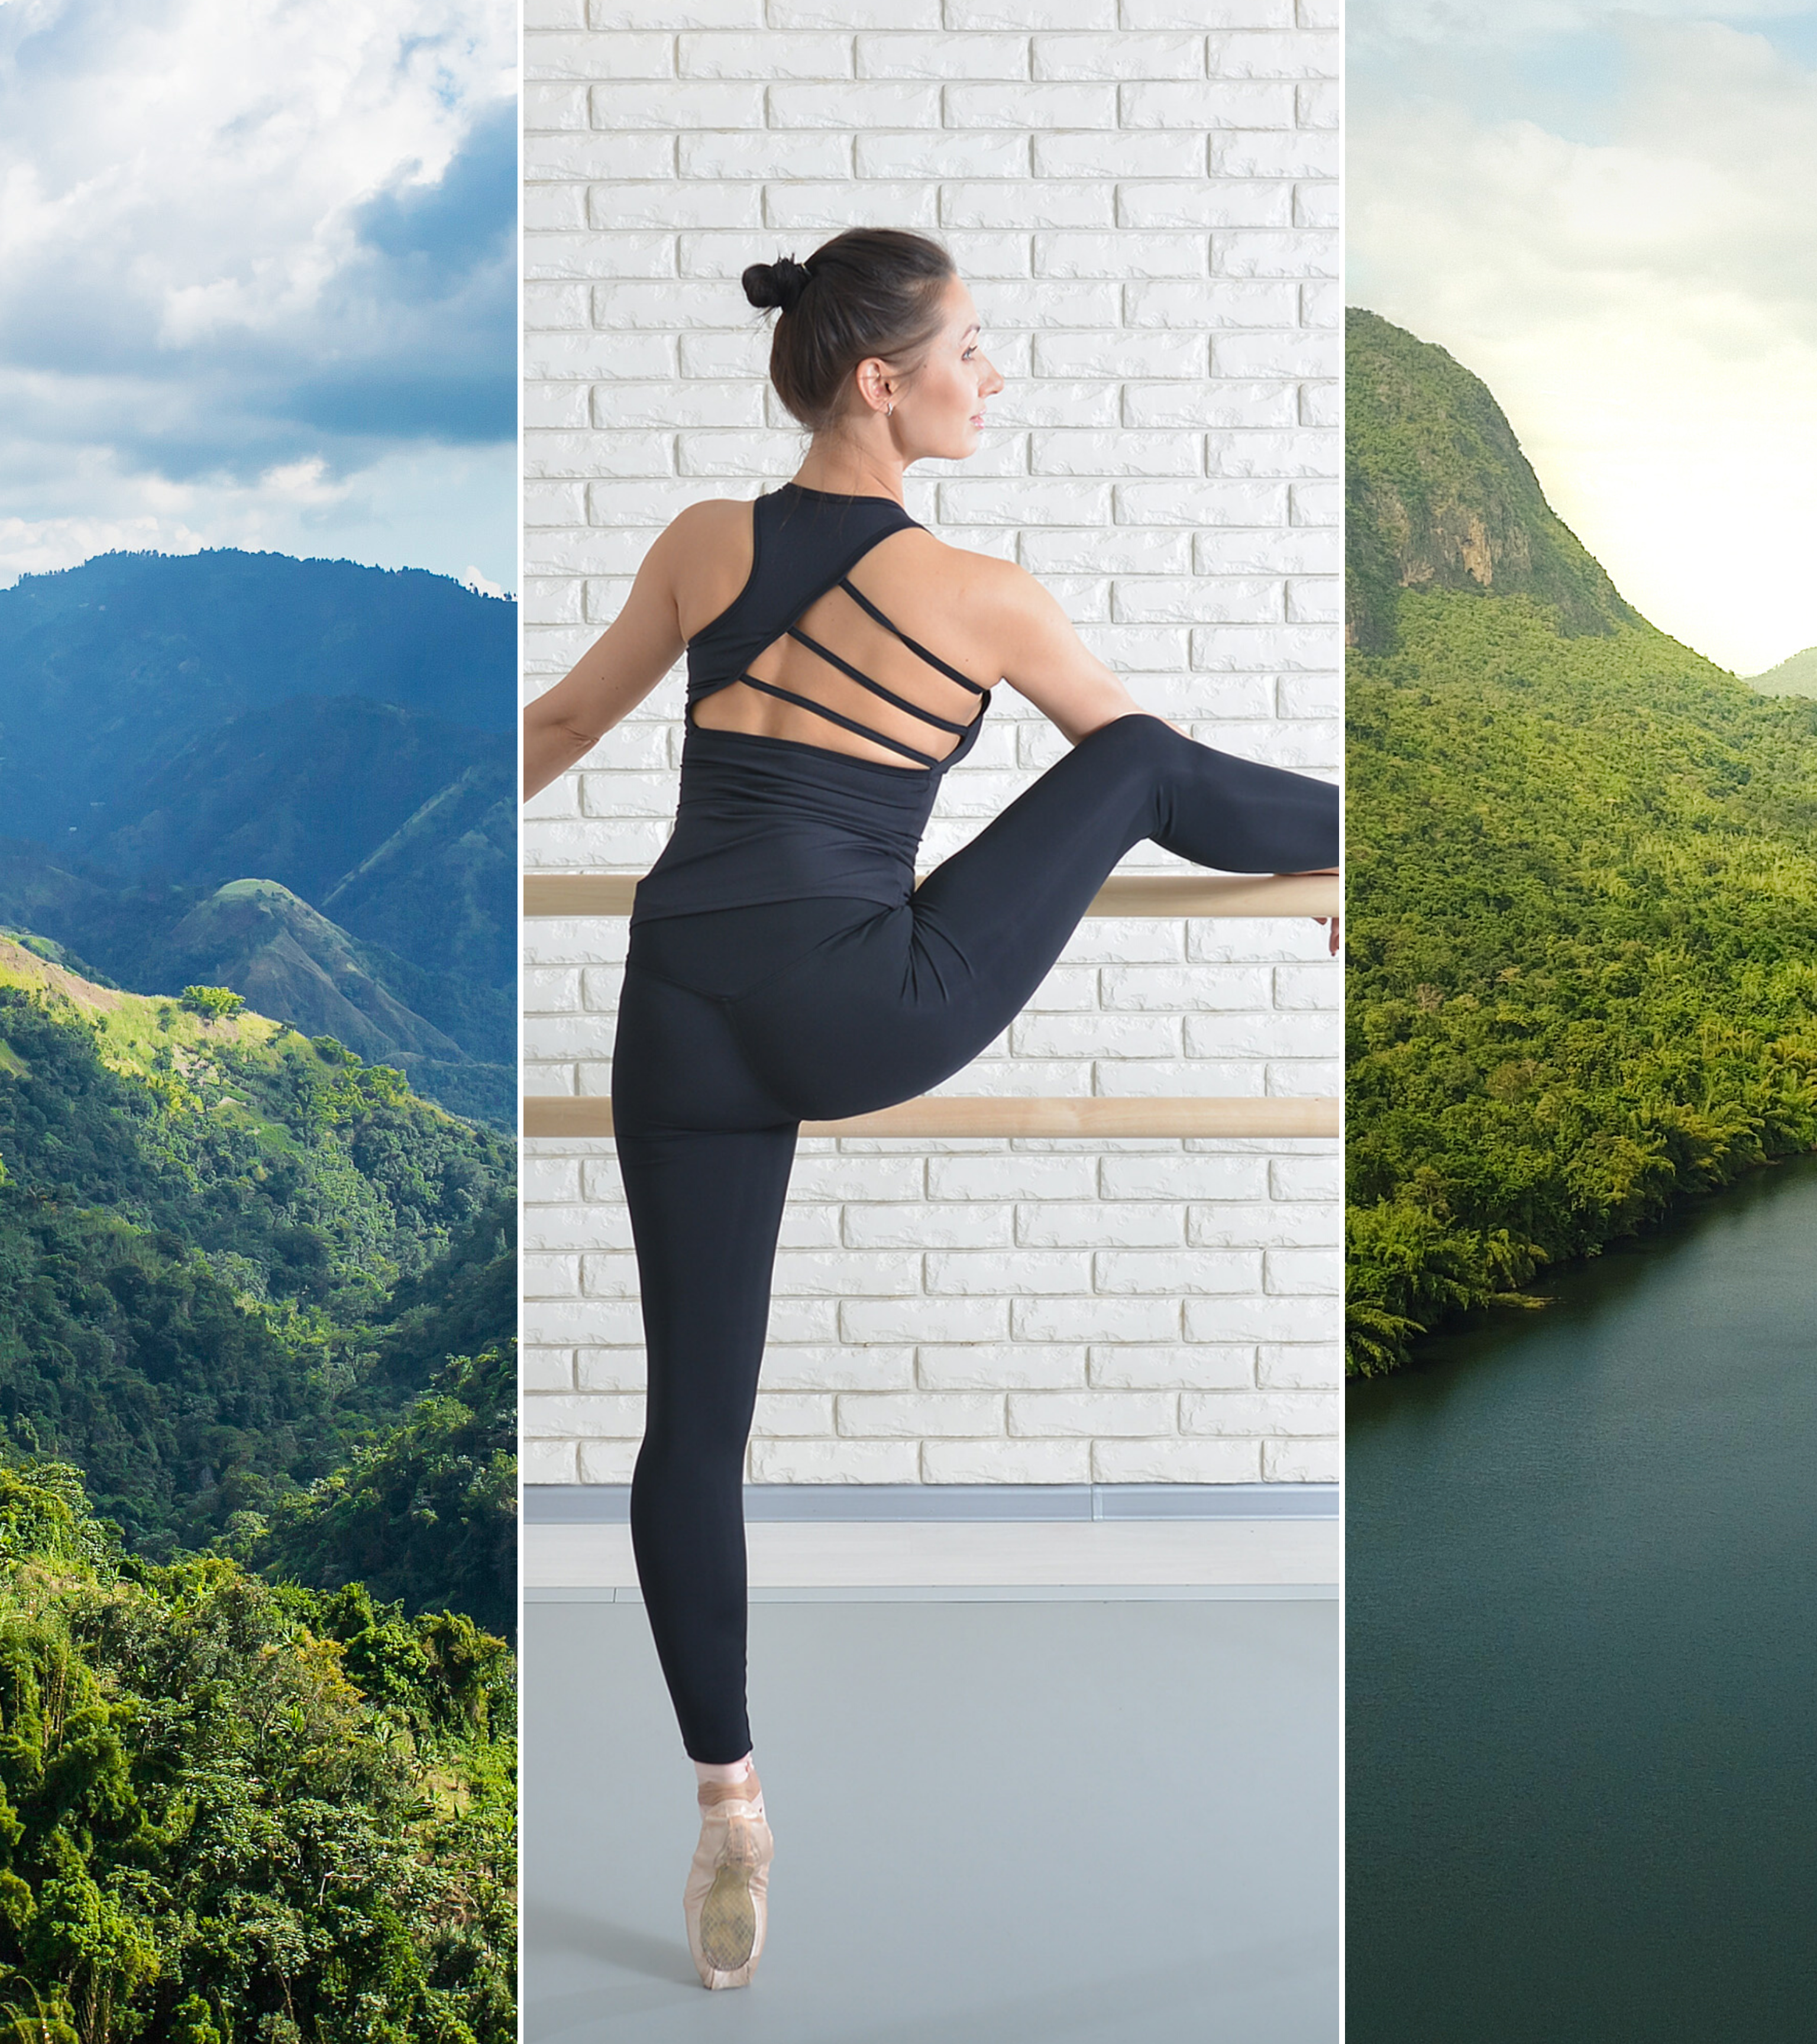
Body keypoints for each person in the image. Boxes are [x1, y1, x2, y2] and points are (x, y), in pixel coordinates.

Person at [516, 227, 1343, 1986]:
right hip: (853, 1014)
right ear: (881, 381)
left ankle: (728, 1812)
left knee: (690, 1427)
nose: (995, 372)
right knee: (1122, 758)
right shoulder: (983, 594)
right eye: (973, 346)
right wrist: (1343, 834)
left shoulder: (698, 544)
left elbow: (566, 722)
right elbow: (1173, 788)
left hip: (672, 1008)